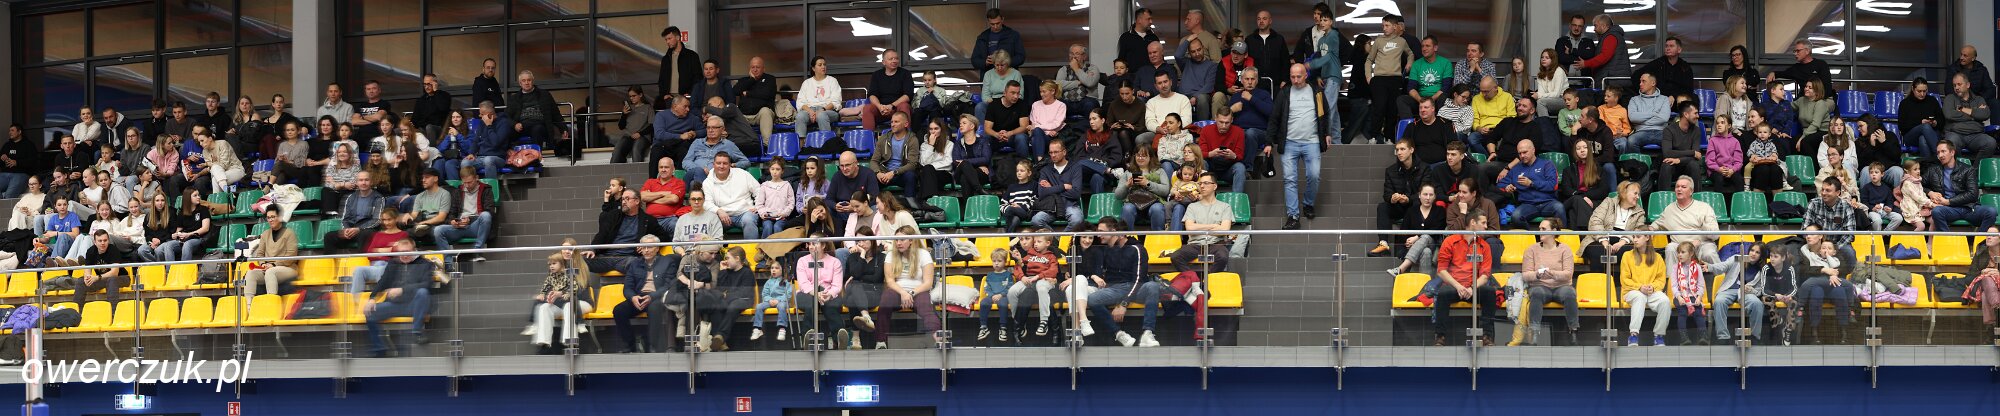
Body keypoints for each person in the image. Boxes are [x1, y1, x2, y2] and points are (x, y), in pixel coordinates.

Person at [1274, 63, 1332, 229]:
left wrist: (1327, 133)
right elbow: (1275, 116)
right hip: (1289, 142)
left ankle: (1308, 204)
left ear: (1306, 75)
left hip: (1312, 141)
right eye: (1292, 77)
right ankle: (1293, 216)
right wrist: (1269, 141)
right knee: (1289, 179)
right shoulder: (1285, 92)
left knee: (1314, 175)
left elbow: (1325, 113)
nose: (1296, 80)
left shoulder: (1316, 91)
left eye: (1299, 76)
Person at [1432, 211, 1499, 346]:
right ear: (1473, 223)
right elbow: (1441, 270)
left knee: (1490, 292)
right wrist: (1458, 286)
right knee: (1443, 293)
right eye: (1483, 223)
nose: (1486, 227)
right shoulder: (1450, 241)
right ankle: (1440, 336)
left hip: (1474, 287)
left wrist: (1472, 288)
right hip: (1454, 286)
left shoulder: (1484, 246)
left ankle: (1487, 336)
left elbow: (1485, 275)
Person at [363, 239, 434, 357]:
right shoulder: (393, 263)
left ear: (414, 250)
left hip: (414, 305)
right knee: (370, 312)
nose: (404, 255)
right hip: (394, 305)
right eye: (401, 252)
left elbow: (427, 284)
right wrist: (372, 298)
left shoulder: (425, 264)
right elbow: (383, 282)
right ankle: (379, 348)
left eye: (407, 252)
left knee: (423, 292)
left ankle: (417, 332)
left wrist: (402, 290)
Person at [1513, 219, 1577, 346]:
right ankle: (1534, 333)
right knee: (1536, 293)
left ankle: (1573, 331)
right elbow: (1526, 275)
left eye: (1543, 229)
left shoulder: (1565, 249)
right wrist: (1537, 274)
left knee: (1570, 293)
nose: (1540, 231)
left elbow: (1568, 274)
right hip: (1540, 285)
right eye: (1539, 228)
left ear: (1554, 231)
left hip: (1561, 286)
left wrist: (1552, 273)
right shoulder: (1531, 249)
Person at [586, 188, 672, 282]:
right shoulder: (613, 215)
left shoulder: (648, 220)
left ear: (637, 201)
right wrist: (592, 249)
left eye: (627, 199)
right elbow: (602, 234)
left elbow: (665, 237)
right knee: (579, 262)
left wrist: (647, 244)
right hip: (606, 258)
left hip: (628, 259)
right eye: (622, 199)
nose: (623, 202)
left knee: (639, 264)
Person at [608, 235, 676, 353]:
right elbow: (627, 287)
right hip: (639, 297)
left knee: (654, 308)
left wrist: (651, 297)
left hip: (657, 297)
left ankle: (653, 346)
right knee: (619, 310)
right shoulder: (635, 263)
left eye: (649, 247)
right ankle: (629, 346)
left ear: (657, 248)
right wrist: (632, 297)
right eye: (643, 247)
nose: (646, 250)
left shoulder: (667, 262)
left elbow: (668, 286)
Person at [526, 242, 591, 352]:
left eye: (569, 249)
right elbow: (550, 288)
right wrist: (546, 295)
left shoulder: (577, 268)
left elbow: (578, 292)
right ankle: (544, 341)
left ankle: (569, 341)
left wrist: (560, 293)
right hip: (563, 303)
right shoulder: (555, 271)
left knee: (569, 306)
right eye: (563, 249)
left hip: (581, 302)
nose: (566, 251)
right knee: (544, 307)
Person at [1922, 141, 1995, 231]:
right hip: (1948, 209)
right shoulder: (1933, 171)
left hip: (1968, 208)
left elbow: (1973, 194)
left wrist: (1948, 201)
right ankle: (1947, 238)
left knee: (1991, 212)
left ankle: (1980, 239)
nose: (1940, 155)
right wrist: (1930, 192)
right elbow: (1918, 186)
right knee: (1937, 211)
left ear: (1952, 152)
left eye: (1943, 151)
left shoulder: (1968, 169)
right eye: (1938, 152)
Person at [1795, 239, 1855, 344]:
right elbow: (1806, 266)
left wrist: (1833, 273)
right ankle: (1814, 331)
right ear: (1819, 250)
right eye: (1823, 248)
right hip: (1818, 284)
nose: (1826, 250)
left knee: (1841, 291)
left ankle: (1845, 329)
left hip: (1832, 284)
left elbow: (1838, 268)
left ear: (1834, 251)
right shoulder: (1813, 256)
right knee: (1815, 292)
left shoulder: (1836, 259)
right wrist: (1826, 273)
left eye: (1829, 248)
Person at [1652, 176, 1721, 266]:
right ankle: (1671, 275)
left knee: (1709, 253)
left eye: (1683, 187)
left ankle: (1721, 274)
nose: (1679, 189)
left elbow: (1715, 235)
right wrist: (1650, 228)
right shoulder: (1669, 209)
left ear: (1691, 191)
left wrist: (1704, 226)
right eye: (1677, 187)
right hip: (1679, 245)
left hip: (1701, 244)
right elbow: (1657, 224)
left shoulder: (1704, 207)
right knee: (1670, 248)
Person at [1371, 140, 1426, 255]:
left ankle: (1413, 243)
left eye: (1402, 149)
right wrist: (1392, 198)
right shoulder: (1391, 170)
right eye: (1397, 150)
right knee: (1382, 207)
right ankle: (1383, 244)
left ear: (1411, 150)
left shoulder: (1424, 168)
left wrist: (1408, 199)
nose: (1399, 152)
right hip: (1399, 206)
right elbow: (1387, 194)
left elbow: (1426, 193)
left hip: (1416, 206)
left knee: (1418, 204)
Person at [1171, 173, 1233, 272]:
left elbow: (1225, 230)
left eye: (1206, 183)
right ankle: (1193, 279)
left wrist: (1199, 227)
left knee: (1222, 256)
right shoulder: (1192, 206)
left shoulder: (1225, 206)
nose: (1202, 186)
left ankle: (1207, 279)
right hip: (1195, 244)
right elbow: (1190, 228)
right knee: (1176, 257)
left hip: (1215, 244)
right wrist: (1214, 226)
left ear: (1214, 186)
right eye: (1200, 184)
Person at [432, 166, 496, 261]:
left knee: (486, 216)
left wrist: (470, 219)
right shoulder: (458, 191)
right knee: (438, 230)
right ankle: (448, 261)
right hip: (459, 226)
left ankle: (476, 252)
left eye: (470, 182)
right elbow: (452, 212)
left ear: (476, 178)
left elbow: (490, 211)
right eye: (464, 182)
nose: (467, 185)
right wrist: (452, 221)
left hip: (476, 226)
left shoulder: (486, 189)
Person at [1366, 14, 1414, 141]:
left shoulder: (1401, 41)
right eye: (1383, 25)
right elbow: (1369, 60)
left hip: (1395, 79)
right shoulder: (1378, 41)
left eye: (1387, 25)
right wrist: (1369, 76)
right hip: (1379, 79)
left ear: (1395, 26)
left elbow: (1410, 54)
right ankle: (1373, 137)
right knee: (1379, 108)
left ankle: (1389, 138)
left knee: (1392, 110)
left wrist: (1409, 63)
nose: (1384, 28)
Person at [1384, 183, 1448, 276]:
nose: (1428, 198)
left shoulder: (1440, 211)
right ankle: (1426, 284)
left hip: (1433, 245)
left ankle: (1401, 268)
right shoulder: (1412, 211)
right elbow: (1404, 230)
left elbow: (1437, 229)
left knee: (1426, 237)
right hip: (1413, 247)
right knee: (1426, 252)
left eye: (1431, 195)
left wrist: (1417, 238)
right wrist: (1408, 241)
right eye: (1425, 194)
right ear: (1419, 195)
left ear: (1435, 197)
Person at [1711, 243, 1770, 343]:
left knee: (1757, 304)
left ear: (1761, 256)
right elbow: (1722, 266)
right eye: (1752, 250)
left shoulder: (1763, 270)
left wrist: (1751, 290)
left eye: (1757, 252)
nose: (1753, 254)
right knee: (1719, 301)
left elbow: (1761, 290)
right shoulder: (1737, 258)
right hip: (1729, 289)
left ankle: (1754, 337)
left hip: (1747, 293)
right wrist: (1709, 267)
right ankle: (1723, 337)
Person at [1619, 235, 1670, 346]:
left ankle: (1659, 335)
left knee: (1665, 301)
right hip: (1631, 291)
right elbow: (1624, 279)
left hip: (1651, 291)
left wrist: (1652, 287)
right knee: (1639, 296)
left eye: (1638, 237)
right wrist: (1639, 287)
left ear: (1647, 238)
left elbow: (1661, 279)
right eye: (1633, 237)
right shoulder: (1627, 255)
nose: (1634, 240)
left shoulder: (1657, 257)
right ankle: (1633, 335)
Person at [1499, 140, 1562, 229]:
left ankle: (1561, 237)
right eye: (1520, 153)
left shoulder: (1547, 164)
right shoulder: (1516, 169)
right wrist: (1507, 187)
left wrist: (1532, 183)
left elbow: (1552, 185)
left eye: (1525, 152)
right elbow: (1501, 183)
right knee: (1516, 216)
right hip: (1527, 204)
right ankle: (1531, 236)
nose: (1522, 156)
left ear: (1533, 150)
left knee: (1559, 208)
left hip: (1548, 203)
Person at [241, 209, 300, 297]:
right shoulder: (265, 234)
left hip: (288, 268)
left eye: (273, 217)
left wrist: (274, 265)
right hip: (267, 268)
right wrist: (263, 264)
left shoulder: (290, 233)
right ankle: (249, 304)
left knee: (270, 272)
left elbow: (291, 256)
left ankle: (271, 302)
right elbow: (260, 254)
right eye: (268, 218)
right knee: (250, 273)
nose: (270, 220)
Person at [834, 230, 877, 349]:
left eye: (864, 240)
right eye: (858, 241)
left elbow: (877, 278)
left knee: (854, 292)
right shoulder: (853, 257)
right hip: (856, 293)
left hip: (872, 293)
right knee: (855, 287)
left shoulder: (880, 256)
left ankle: (855, 339)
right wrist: (862, 254)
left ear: (872, 240)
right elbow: (856, 273)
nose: (861, 244)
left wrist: (857, 278)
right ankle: (866, 317)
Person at [323, 171, 386, 250]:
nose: (363, 183)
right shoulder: (349, 197)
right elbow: (344, 218)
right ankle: (333, 258)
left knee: (364, 234)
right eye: (361, 180)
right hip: (351, 229)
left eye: (366, 180)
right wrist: (346, 229)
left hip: (367, 230)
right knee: (329, 236)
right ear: (356, 182)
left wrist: (359, 229)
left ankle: (361, 257)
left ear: (371, 182)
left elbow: (377, 220)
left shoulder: (379, 198)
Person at [508, 70, 565, 154]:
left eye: (529, 80)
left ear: (533, 81)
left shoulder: (545, 95)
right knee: (506, 131)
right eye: (524, 81)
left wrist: (563, 129)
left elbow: (556, 114)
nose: (526, 83)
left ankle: (536, 156)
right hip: (522, 127)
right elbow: (506, 117)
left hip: (540, 126)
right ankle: (512, 156)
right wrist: (514, 124)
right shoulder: (514, 98)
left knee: (537, 129)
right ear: (520, 83)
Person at [1666, 241, 1712, 345]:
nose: (1679, 255)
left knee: (1698, 311)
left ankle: (1703, 336)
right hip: (1680, 296)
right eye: (1678, 252)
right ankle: (1684, 338)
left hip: (1694, 295)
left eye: (1683, 252)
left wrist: (1699, 297)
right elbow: (1674, 286)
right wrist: (1679, 297)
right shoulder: (1675, 268)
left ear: (1691, 254)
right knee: (1682, 312)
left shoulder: (1697, 267)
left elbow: (1701, 285)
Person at [1034, 140, 1086, 231]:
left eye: (1056, 152)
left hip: (1070, 205)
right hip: (1051, 207)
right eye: (1051, 152)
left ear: (1064, 152)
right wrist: (1063, 187)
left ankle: (1061, 238)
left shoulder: (1075, 167)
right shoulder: (1045, 170)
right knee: (1036, 220)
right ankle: (1055, 238)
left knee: (1077, 220)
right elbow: (1042, 193)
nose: (1053, 155)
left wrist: (1051, 188)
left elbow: (1076, 193)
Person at [681, 117, 748, 187]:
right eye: (708, 127)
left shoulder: (729, 145)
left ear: (722, 129)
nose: (710, 130)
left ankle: (702, 190)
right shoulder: (697, 143)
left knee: (693, 184)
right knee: (698, 172)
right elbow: (686, 161)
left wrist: (732, 165)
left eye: (714, 128)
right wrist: (701, 170)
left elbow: (745, 161)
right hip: (692, 174)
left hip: (714, 178)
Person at [1399, 36, 1451, 123]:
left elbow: (1446, 86)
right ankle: (1409, 127)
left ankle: (1439, 125)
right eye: (1422, 46)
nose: (1424, 49)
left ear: (1435, 48)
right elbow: (1411, 88)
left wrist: (1431, 100)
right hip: (1421, 99)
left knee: (1444, 98)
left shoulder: (1445, 63)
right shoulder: (1416, 64)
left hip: (1437, 99)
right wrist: (1421, 100)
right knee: (1401, 99)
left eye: (1427, 46)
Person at [1657, 101, 1707, 193]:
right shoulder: (1669, 130)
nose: (1698, 116)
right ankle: (1663, 198)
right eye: (1695, 113)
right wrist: (1691, 152)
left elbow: (1697, 156)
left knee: (1694, 165)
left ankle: (1697, 197)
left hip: (1687, 167)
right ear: (1686, 114)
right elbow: (1667, 153)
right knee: (1666, 165)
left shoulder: (1696, 130)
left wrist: (1679, 160)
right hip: (1673, 168)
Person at [1942, 73, 1994, 158]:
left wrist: (1962, 109)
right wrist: (1974, 114)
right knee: (1951, 142)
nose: (1956, 88)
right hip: (1955, 133)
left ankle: (1976, 167)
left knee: (1990, 143)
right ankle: (1960, 166)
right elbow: (1949, 115)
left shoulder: (1978, 99)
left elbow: (1985, 114)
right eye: (1954, 85)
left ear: (1968, 85)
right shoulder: (1950, 98)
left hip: (1976, 135)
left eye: (1959, 84)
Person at [1136, 72, 1192, 150]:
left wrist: (1172, 128)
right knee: (1140, 139)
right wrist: (1158, 128)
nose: (1163, 85)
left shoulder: (1183, 99)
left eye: (1165, 81)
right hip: (1159, 132)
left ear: (1171, 82)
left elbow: (1187, 119)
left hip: (1178, 131)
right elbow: (1149, 121)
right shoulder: (1151, 102)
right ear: (1156, 86)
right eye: (1159, 83)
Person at [1947, 45, 1999, 126]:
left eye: (1965, 56)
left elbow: (1990, 89)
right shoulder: (1953, 69)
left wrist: (1980, 101)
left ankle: (1996, 130)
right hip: (1960, 100)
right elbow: (1948, 89)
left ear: (1973, 58)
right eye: (1961, 54)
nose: (1961, 57)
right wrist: (1962, 100)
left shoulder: (1981, 69)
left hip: (1978, 99)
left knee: (1995, 103)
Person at [1619, 73, 1671, 154]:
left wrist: (1642, 120)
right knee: (1631, 141)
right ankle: (1639, 162)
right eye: (1640, 81)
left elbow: (1664, 118)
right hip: (1641, 132)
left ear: (1653, 83)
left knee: (1673, 141)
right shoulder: (1634, 100)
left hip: (1661, 131)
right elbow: (1633, 118)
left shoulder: (1664, 99)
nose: (1640, 84)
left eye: (1643, 81)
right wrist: (1654, 114)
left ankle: (1662, 162)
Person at [1578, 14, 1634, 89]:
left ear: (1603, 26)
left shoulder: (1610, 37)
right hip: (1614, 81)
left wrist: (1586, 63)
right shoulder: (1612, 36)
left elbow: (1604, 56)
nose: (1594, 29)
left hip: (1612, 82)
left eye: (1595, 26)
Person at [74, 231, 129, 305]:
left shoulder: (113, 250)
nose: (103, 243)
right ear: (95, 242)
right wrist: (87, 278)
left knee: (112, 280)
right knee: (81, 281)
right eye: (100, 241)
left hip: (122, 278)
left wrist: (97, 277)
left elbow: (114, 273)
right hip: (103, 279)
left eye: (105, 240)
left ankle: (112, 310)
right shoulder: (90, 251)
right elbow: (87, 270)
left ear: (108, 241)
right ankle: (77, 310)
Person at [794, 56, 845, 137]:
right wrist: (810, 111)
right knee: (800, 116)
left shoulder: (832, 80)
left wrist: (822, 110)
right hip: (810, 110)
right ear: (813, 68)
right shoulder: (807, 83)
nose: (823, 67)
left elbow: (836, 101)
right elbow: (801, 102)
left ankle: (827, 142)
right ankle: (801, 143)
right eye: (820, 65)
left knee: (821, 115)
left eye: (824, 64)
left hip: (828, 110)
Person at [736, 57, 780, 147]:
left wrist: (748, 93)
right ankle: (736, 145)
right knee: (732, 112)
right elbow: (735, 91)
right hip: (744, 116)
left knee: (765, 111)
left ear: (763, 69)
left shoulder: (770, 79)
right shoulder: (744, 80)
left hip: (760, 115)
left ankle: (767, 146)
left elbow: (767, 94)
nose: (755, 70)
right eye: (753, 67)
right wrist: (752, 80)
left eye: (758, 67)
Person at [982, 81, 1033, 159]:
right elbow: (987, 128)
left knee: (1021, 137)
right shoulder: (993, 104)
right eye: (1013, 93)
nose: (1016, 96)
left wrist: (1010, 133)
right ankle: (985, 164)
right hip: (997, 137)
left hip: (1013, 137)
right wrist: (997, 135)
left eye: (1018, 93)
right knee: (985, 137)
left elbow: (1024, 127)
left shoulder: (1022, 104)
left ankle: (1023, 164)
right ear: (1004, 93)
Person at [977, 247, 1018, 342]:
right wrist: (992, 295)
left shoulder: (1008, 275)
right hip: (991, 296)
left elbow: (1010, 288)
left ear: (1005, 262)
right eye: (994, 261)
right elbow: (987, 288)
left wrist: (1001, 295)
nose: (996, 263)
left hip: (1004, 296)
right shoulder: (989, 275)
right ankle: (983, 327)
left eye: (999, 261)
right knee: (983, 302)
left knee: (1003, 304)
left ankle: (1003, 327)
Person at [1467, 77, 1517, 155]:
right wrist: (1479, 129)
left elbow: (1512, 117)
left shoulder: (1507, 97)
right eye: (1482, 91)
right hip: (1484, 131)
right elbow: (1475, 120)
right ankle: (1489, 158)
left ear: (1495, 88)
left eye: (1486, 91)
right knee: (1472, 138)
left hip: (1502, 131)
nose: (1484, 94)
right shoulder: (1476, 99)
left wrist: (1501, 129)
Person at [1176, 37, 1220, 124]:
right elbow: (1177, 55)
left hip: (1200, 96)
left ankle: (1202, 128)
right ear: (1189, 53)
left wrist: (1195, 96)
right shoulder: (1186, 63)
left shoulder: (1212, 66)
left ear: (1203, 48)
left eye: (1199, 50)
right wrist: (1188, 40)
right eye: (1193, 51)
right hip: (1183, 95)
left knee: (1202, 98)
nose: (1197, 54)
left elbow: (1209, 86)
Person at [865, 49, 913, 130]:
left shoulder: (905, 74)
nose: (894, 61)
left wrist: (891, 106)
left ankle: (906, 136)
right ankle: (867, 137)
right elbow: (872, 95)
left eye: (896, 58)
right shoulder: (876, 75)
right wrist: (879, 107)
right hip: (881, 110)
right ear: (883, 62)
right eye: (891, 59)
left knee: (904, 106)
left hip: (897, 108)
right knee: (867, 108)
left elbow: (908, 95)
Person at [1900, 78, 1944, 159]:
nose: (1922, 94)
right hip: (1911, 136)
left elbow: (1942, 121)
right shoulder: (1905, 103)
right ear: (1913, 89)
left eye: (1925, 91)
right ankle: (1939, 155)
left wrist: (1935, 123)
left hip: (1933, 134)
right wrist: (1920, 122)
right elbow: (1902, 126)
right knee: (1925, 126)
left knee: (1923, 139)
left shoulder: (1932, 101)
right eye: (1919, 91)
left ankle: (1928, 165)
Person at [950, 115, 996, 193]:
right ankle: (978, 188)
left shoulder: (983, 141)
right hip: (961, 172)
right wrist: (976, 165)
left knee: (964, 178)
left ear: (972, 126)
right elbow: (956, 162)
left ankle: (968, 201)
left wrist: (966, 163)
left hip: (980, 173)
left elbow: (986, 159)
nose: (960, 125)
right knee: (964, 165)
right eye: (960, 123)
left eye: (964, 123)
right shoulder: (958, 143)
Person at [969, 8, 1024, 72]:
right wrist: (985, 62)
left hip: (1009, 75)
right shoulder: (982, 37)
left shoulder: (1013, 35)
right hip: (989, 75)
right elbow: (974, 60)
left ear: (1002, 19)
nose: (995, 26)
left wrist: (1005, 62)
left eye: (998, 23)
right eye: (992, 24)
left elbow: (1021, 57)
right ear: (988, 22)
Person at [1245, 10, 1290, 89]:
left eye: (1264, 18)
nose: (1261, 21)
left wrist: (1285, 80)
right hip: (1254, 83)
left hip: (1276, 84)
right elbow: (1245, 61)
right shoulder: (1249, 39)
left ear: (1270, 21)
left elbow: (1285, 61)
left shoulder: (1279, 39)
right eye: (1259, 19)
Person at [1768, 40, 1834, 94]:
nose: (1795, 54)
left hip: (1822, 98)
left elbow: (1827, 87)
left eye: (1798, 51)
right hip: (1804, 99)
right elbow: (1783, 73)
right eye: (1794, 51)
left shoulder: (1821, 64)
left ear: (1807, 51)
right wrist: (1773, 73)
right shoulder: (1796, 68)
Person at [467, 101, 512, 179]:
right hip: (481, 157)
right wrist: (471, 153)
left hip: (498, 157)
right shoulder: (482, 123)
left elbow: (496, 143)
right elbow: (476, 140)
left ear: (489, 115)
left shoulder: (504, 123)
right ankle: (471, 185)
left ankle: (491, 186)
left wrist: (489, 126)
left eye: (482, 114)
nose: (479, 116)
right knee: (465, 163)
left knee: (488, 160)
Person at [610, 86, 654, 165]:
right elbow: (621, 126)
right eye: (630, 96)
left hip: (642, 136)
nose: (631, 98)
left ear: (640, 95)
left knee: (636, 148)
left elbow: (652, 125)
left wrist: (640, 133)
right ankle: (613, 172)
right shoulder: (628, 109)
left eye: (634, 96)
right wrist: (624, 114)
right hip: (628, 136)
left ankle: (637, 171)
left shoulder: (648, 107)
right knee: (617, 150)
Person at [1794, 80, 1837, 158]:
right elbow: (1788, 107)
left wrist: (1801, 138)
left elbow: (1815, 125)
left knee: (1805, 142)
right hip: (1808, 132)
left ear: (1817, 91)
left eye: (1810, 87)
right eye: (1806, 86)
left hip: (1822, 131)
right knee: (1792, 140)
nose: (1806, 89)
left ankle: (1813, 165)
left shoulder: (1821, 104)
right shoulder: (1801, 100)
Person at [754, 158, 794, 240]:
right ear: (769, 170)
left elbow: (791, 203)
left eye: (778, 169)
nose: (775, 172)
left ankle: (778, 247)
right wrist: (763, 213)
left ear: (782, 171)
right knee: (768, 226)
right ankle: (764, 246)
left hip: (782, 217)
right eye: (772, 169)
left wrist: (784, 213)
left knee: (777, 227)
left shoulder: (787, 185)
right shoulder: (765, 185)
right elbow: (759, 203)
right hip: (768, 216)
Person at [1027, 81, 1068, 159]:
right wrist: (1047, 131)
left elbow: (1056, 124)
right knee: (1036, 134)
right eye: (1040, 92)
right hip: (1039, 134)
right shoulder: (1035, 104)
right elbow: (1034, 124)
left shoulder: (1061, 106)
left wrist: (1038, 127)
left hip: (1052, 138)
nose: (1041, 94)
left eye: (1044, 91)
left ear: (1052, 91)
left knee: (1035, 135)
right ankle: (1040, 160)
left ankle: (1038, 162)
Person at [656, 26, 699, 97]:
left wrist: (690, 93)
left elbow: (697, 78)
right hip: (669, 98)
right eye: (666, 40)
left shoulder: (692, 56)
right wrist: (664, 95)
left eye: (669, 38)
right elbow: (661, 80)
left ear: (678, 38)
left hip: (686, 97)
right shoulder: (665, 59)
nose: (667, 42)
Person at [1706, 115, 1745, 192]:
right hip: (1716, 170)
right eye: (1717, 123)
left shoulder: (1735, 141)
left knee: (1739, 179)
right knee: (1719, 179)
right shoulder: (1712, 140)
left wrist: (1732, 170)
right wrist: (1719, 169)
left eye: (1722, 123)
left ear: (1729, 126)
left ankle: (1738, 200)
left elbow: (1738, 162)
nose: (1719, 125)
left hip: (1730, 170)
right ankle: (1718, 200)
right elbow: (1709, 161)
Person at [0, 124, 40, 198]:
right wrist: (1, 158)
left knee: (9, 195)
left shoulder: (28, 145)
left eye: (12, 130)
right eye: (9, 131)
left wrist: (17, 162)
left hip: (21, 174)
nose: (10, 132)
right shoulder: (6, 145)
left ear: (19, 132)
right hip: (5, 174)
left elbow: (33, 162)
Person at [1117, 8, 1161, 74]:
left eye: (1151, 19)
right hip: (1131, 77)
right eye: (1148, 19)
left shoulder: (1154, 38)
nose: (1151, 22)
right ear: (1139, 20)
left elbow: (1160, 59)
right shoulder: (1126, 37)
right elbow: (1121, 60)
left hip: (1150, 77)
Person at [1897, 160, 1932, 231]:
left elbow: (1922, 194)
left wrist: (1931, 200)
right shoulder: (1907, 183)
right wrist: (1931, 204)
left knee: (1934, 221)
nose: (1918, 171)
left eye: (1919, 169)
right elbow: (1917, 198)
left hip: (1920, 207)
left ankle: (1930, 238)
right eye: (1915, 169)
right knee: (1921, 226)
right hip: (1911, 209)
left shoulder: (1918, 181)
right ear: (1907, 171)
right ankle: (1911, 238)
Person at [1534, 49, 1570, 117]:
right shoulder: (1540, 74)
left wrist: (1539, 95)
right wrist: (1538, 95)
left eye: (1547, 58)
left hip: (1563, 100)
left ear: (1553, 60)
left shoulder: (1559, 71)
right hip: (1548, 100)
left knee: (1541, 102)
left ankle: (1545, 123)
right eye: (1542, 57)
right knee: (1531, 103)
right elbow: (1541, 93)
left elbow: (1556, 94)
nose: (1543, 59)